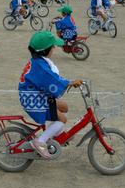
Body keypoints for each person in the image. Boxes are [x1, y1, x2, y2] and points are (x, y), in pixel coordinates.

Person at [18, 30, 83, 158]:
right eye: (52, 46)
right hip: (34, 100)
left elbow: (52, 78)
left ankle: (56, 134)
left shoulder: (39, 62)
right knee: (62, 119)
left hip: (36, 96)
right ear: (44, 50)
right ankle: (40, 141)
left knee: (64, 107)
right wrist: (69, 83)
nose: (54, 48)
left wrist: (68, 82)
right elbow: (53, 80)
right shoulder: (40, 66)